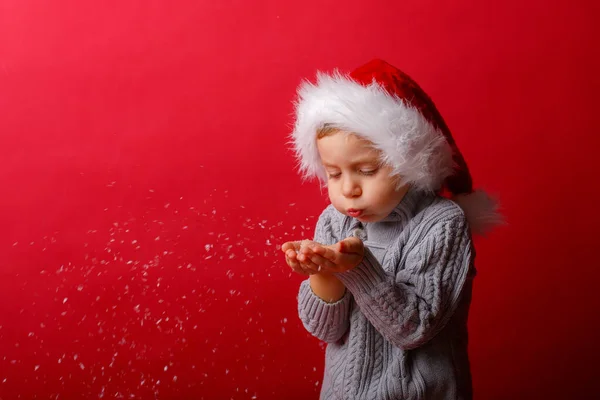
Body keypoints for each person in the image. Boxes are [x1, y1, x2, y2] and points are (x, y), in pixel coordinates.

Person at [281, 59, 502, 399]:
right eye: (334, 174)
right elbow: (326, 329)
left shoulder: (441, 224)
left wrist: (357, 268)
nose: (348, 188)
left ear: (409, 161)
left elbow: (413, 328)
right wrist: (322, 272)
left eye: (366, 170)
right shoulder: (334, 221)